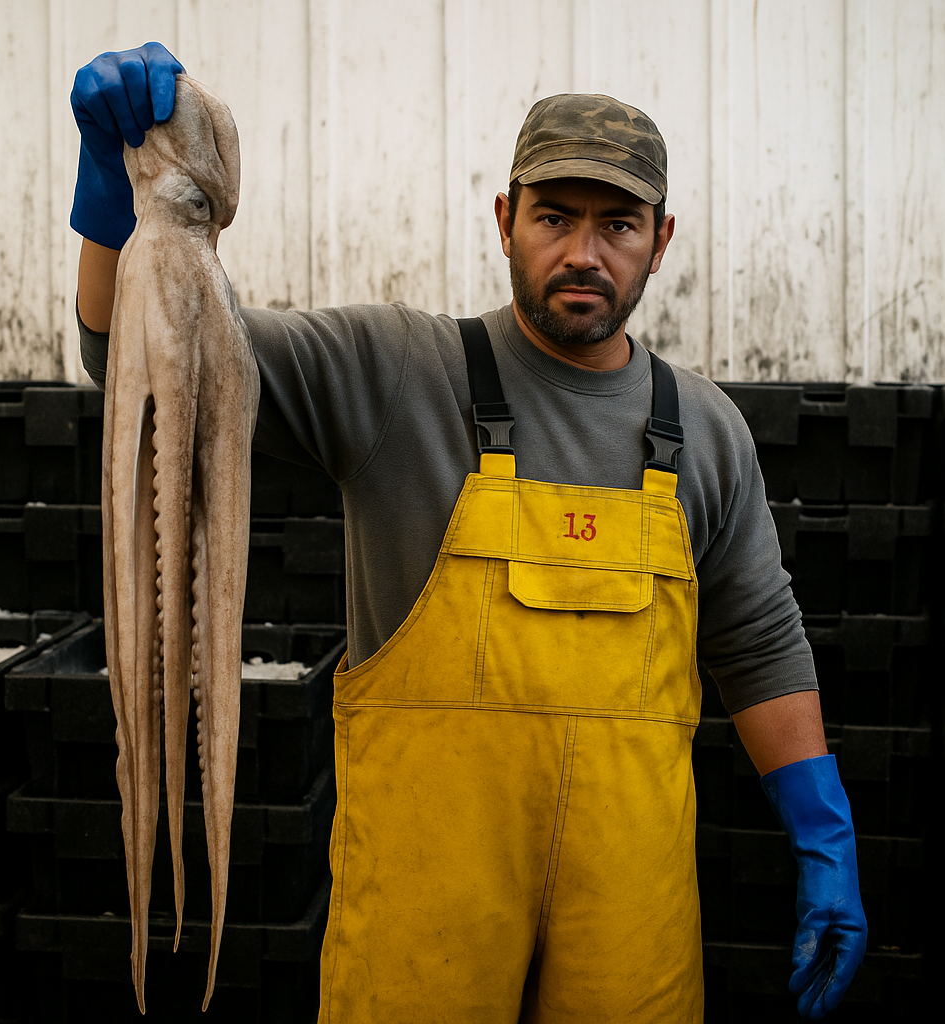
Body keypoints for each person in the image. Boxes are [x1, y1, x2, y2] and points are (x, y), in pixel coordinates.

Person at [70, 42, 866, 1023]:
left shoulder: (702, 428)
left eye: (618, 224)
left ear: (661, 241)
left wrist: (824, 838)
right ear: (505, 222)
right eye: (554, 217)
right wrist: (123, 207)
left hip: (634, 914)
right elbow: (152, 358)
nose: (584, 252)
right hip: (424, 915)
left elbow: (757, 642)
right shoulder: (396, 373)